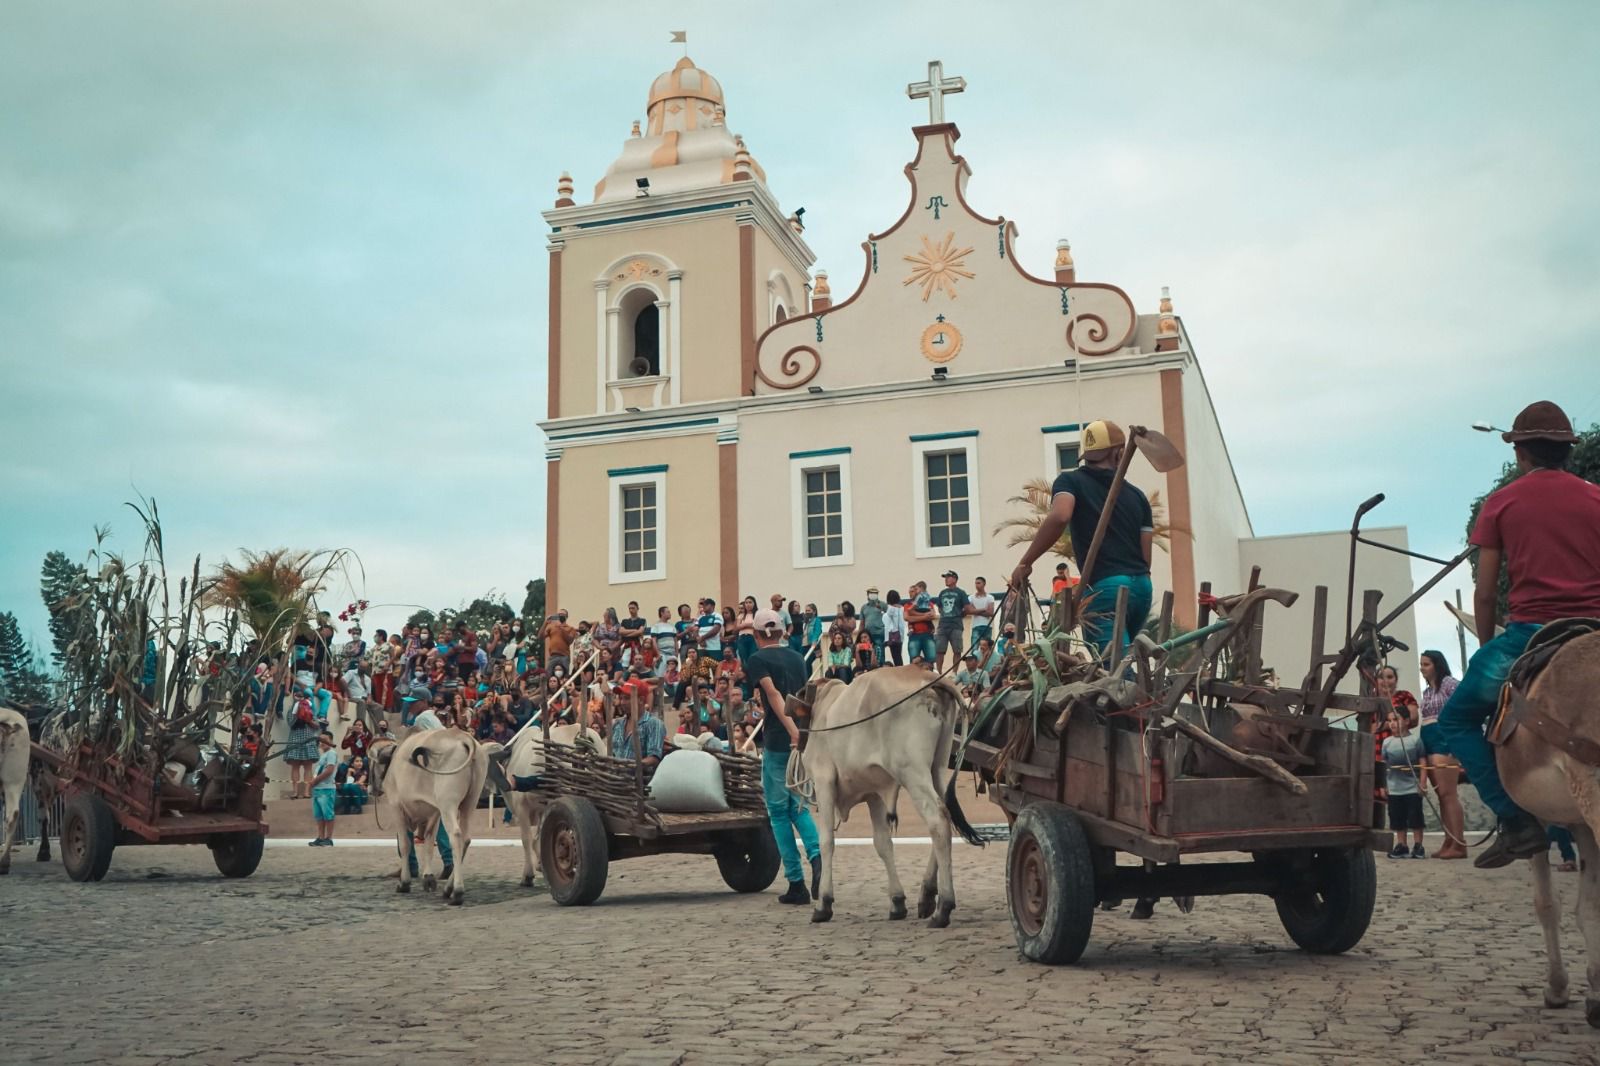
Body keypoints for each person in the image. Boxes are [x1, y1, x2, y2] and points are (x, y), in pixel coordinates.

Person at [1438, 401, 1600, 868]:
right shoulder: (1596, 498)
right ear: (1567, 452)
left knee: (1455, 719)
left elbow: (1485, 594)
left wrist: (1486, 647)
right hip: (1594, 629)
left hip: (1530, 633)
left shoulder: (1502, 503)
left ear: (1520, 453)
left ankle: (1516, 822)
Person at [1010, 419, 1153, 662]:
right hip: (1141, 588)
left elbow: (1060, 515)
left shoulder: (1071, 481)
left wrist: (1025, 563)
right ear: (1119, 453)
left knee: (1115, 671)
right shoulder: (1138, 497)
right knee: (1125, 661)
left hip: (1106, 589)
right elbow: (1145, 556)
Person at [746, 608, 821, 904]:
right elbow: (801, 696)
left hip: (780, 738)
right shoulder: (796, 658)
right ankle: (816, 855)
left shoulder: (757, 659)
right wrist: (801, 732)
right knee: (799, 806)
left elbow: (774, 695)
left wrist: (790, 730)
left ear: (756, 635)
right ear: (781, 631)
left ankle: (796, 882)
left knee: (778, 812)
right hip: (803, 739)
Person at [1417, 650, 1466, 860]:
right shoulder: (1427, 692)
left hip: (1443, 739)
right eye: (1421, 664)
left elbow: (1461, 706)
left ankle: (1459, 843)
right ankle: (1450, 840)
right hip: (1429, 739)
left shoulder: (1449, 684)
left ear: (1436, 664)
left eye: (1426, 664)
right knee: (1441, 796)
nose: (1422, 668)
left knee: (1448, 794)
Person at [1381, 707, 1427, 859]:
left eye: (1396, 719)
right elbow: (1384, 765)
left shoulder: (1415, 740)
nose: (1392, 724)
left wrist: (1422, 783)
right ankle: (1402, 845)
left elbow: (1422, 762)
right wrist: (1383, 785)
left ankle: (1418, 845)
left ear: (1406, 721)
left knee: (1415, 818)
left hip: (1412, 788)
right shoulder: (1386, 743)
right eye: (1390, 721)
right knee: (1397, 818)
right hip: (1394, 789)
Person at [609, 697, 665, 769]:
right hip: (615, 776)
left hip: (639, 777)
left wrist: (631, 766)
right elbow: (612, 753)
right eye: (621, 698)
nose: (622, 702)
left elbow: (654, 758)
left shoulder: (654, 724)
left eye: (627, 698)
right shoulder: (618, 724)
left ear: (641, 700)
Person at [933, 571, 971, 672]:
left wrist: (959, 615)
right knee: (939, 650)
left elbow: (967, 608)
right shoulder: (942, 593)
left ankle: (954, 672)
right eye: (945, 577)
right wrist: (944, 614)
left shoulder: (961, 592)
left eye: (948, 577)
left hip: (956, 625)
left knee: (957, 650)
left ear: (954, 579)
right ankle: (939, 672)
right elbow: (940, 607)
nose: (946, 579)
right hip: (942, 625)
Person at [309, 730, 339, 846]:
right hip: (318, 788)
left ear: (331, 741)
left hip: (327, 788)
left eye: (325, 740)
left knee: (328, 814)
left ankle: (328, 838)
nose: (322, 743)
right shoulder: (323, 755)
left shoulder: (331, 753)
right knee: (319, 814)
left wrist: (315, 781)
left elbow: (329, 770)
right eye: (320, 740)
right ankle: (321, 837)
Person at [905, 583, 937, 666]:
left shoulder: (927, 603)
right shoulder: (907, 605)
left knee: (931, 659)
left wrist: (915, 617)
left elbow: (933, 615)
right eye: (910, 592)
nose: (910, 594)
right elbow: (907, 618)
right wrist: (924, 616)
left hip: (927, 634)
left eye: (913, 591)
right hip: (914, 635)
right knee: (914, 660)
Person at [540, 610, 577, 675]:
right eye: (559, 614)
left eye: (562, 614)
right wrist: (545, 623)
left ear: (566, 616)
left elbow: (570, 640)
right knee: (549, 675)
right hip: (553, 656)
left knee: (564, 676)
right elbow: (540, 637)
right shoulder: (551, 627)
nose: (560, 616)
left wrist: (561, 627)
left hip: (564, 656)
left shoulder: (571, 628)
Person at [859, 588, 887, 669]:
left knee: (879, 653)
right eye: (871, 593)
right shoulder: (864, 607)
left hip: (879, 633)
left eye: (875, 593)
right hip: (868, 635)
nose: (873, 594)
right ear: (867, 594)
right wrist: (859, 635)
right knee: (867, 654)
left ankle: (880, 668)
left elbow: (889, 617)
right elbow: (862, 623)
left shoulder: (883, 605)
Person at [650, 606, 678, 678]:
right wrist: (658, 654)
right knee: (661, 675)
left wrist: (676, 653)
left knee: (673, 675)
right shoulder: (656, 626)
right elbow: (654, 641)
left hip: (672, 654)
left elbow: (675, 641)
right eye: (668, 612)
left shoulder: (672, 626)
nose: (670, 614)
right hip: (662, 654)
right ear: (662, 613)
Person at [968, 576, 996, 644]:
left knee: (987, 647)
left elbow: (991, 613)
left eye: (978, 583)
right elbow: (970, 611)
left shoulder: (990, 597)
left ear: (984, 584)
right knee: (974, 648)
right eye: (976, 583)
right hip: (975, 626)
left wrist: (975, 611)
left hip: (987, 626)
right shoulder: (971, 597)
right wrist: (984, 609)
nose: (976, 585)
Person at [882, 590, 906, 667]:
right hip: (900, 635)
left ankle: (899, 670)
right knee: (899, 654)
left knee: (895, 656)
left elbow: (888, 624)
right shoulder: (902, 609)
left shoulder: (890, 609)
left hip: (892, 635)